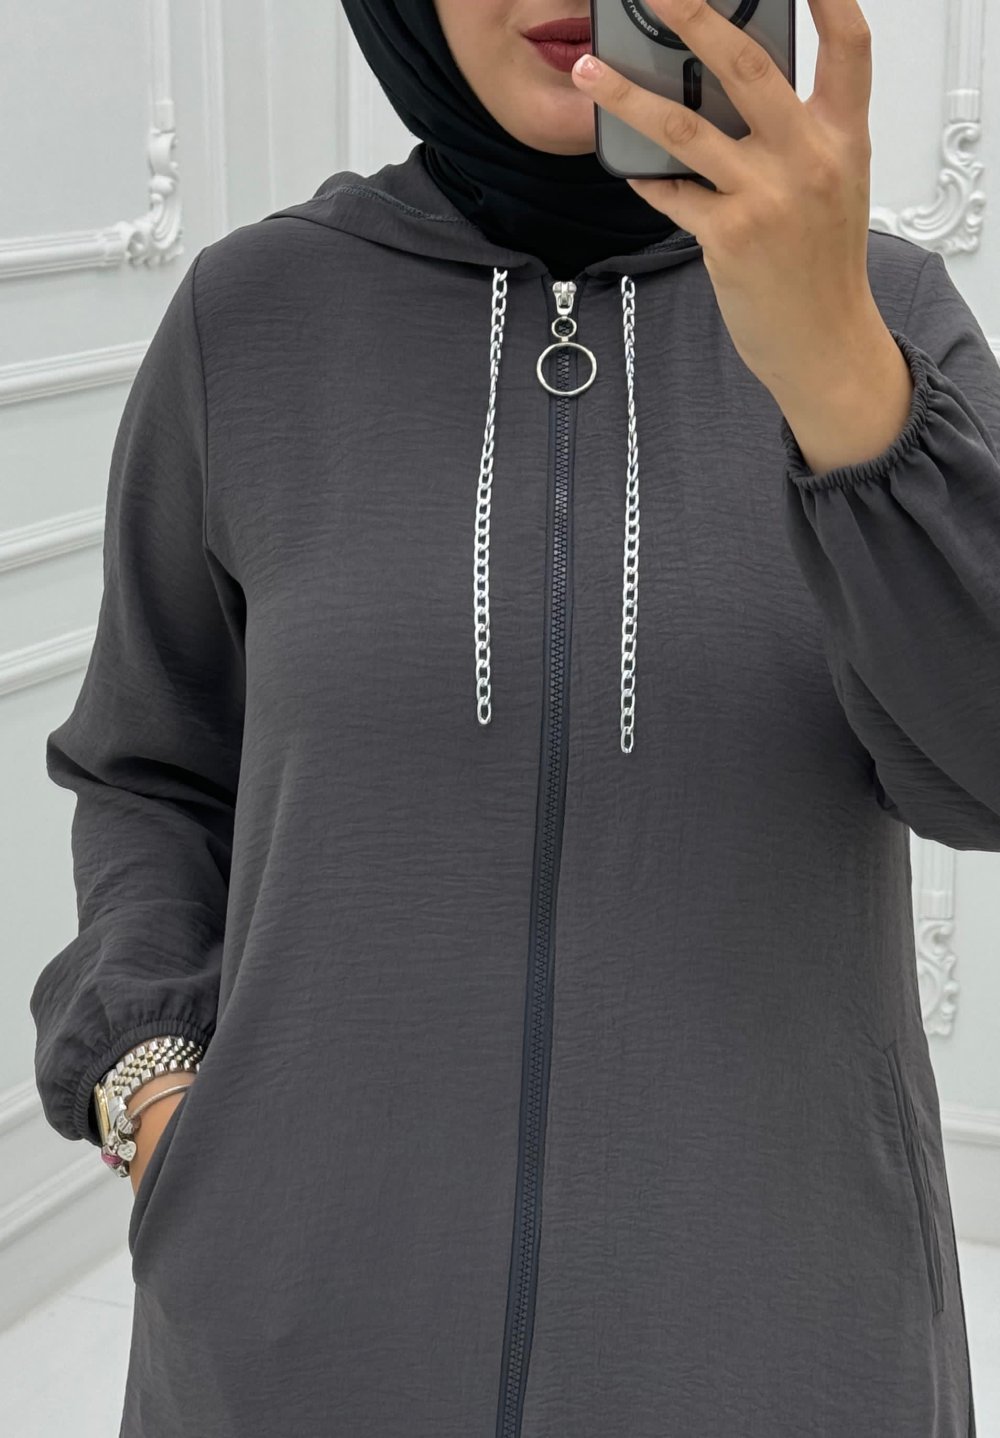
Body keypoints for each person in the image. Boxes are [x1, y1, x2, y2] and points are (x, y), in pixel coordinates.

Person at [28, 2, 999, 1434]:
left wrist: (838, 375)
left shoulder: (885, 315)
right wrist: (156, 1095)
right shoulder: (254, 317)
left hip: (778, 1345)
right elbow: (149, 767)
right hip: (295, 1341)